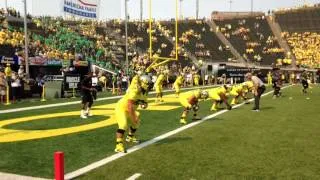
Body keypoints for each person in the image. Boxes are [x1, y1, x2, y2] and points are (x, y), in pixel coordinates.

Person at [114, 75, 151, 153]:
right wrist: (133, 118)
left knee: (137, 120)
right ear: (143, 83)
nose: (149, 86)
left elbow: (145, 102)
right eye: (148, 84)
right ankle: (118, 145)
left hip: (130, 109)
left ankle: (130, 137)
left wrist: (145, 105)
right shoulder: (134, 91)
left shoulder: (143, 92)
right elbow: (130, 106)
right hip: (122, 108)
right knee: (123, 125)